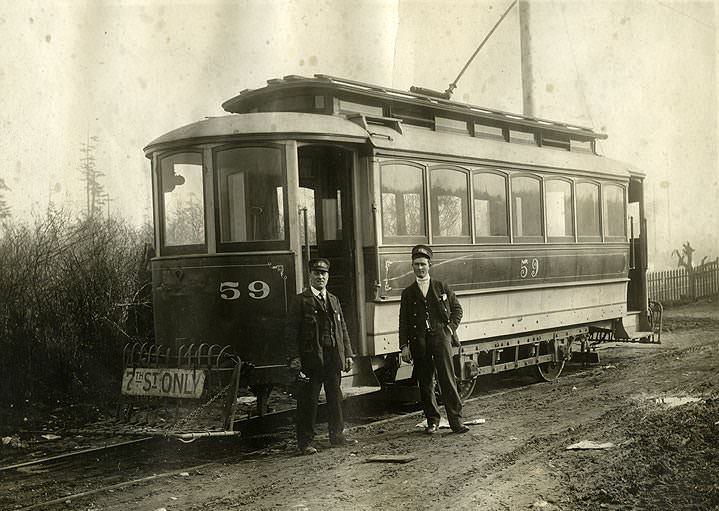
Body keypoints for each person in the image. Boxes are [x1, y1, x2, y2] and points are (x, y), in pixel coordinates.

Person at [286, 258, 356, 454]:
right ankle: (306, 442)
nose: (320, 277)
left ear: (328, 276)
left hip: (333, 357)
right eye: (316, 273)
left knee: (335, 398)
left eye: (323, 273)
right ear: (310, 275)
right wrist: (294, 357)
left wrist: (348, 354)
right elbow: (291, 332)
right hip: (311, 359)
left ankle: (337, 436)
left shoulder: (333, 300)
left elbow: (342, 329)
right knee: (308, 401)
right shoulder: (300, 301)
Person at [398, 244, 469, 434]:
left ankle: (456, 421)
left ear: (429, 264)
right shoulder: (408, 293)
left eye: (423, 264)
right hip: (419, 343)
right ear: (412, 266)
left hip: (441, 339)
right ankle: (432, 421)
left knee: (447, 379)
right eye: (416, 264)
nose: (419, 268)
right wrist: (404, 346)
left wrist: (448, 330)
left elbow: (457, 310)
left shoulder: (441, 286)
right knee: (426, 382)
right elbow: (403, 322)